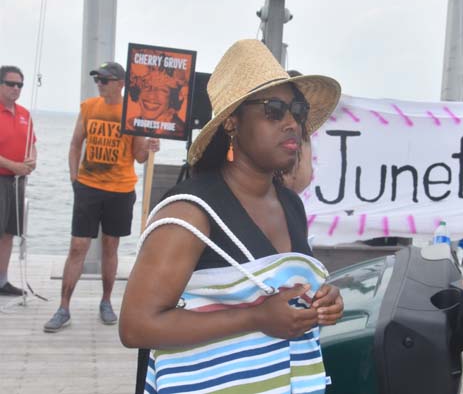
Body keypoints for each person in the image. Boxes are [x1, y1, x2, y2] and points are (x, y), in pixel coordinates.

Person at [119, 39, 344, 393]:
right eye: (274, 109)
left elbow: (286, 294)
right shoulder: (190, 213)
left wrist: (322, 302)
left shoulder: (290, 204)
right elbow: (136, 326)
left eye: (297, 111)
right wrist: (255, 317)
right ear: (232, 123)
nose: (292, 123)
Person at [44, 62, 160, 333]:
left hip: (120, 190)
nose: (100, 83)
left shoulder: (132, 113)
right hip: (88, 187)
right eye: (98, 79)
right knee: (77, 246)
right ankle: (63, 307)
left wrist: (151, 145)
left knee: (111, 247)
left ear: (121, 84)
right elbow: (75, 144)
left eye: (106, 79)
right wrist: (74, 178)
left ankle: (106, 302)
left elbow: (140, 157)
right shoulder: (88, 107)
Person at [0, 65, 36, 296]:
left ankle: (2, 281)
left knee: (9, 233)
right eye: (11, 84)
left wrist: (32, 161)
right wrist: (13, 166)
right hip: (2, 177)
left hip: (17, 183)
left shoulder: (24, 113)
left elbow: (31, 143)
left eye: (19, 84)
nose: (16, 88)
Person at [126, 66, 187, 137]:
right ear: (137, 91)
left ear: (172, 98)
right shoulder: (130, 125)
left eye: (162, 90)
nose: (152, 96)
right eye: (146, 86)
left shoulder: (179, 131)